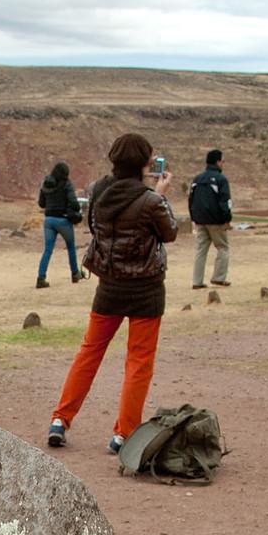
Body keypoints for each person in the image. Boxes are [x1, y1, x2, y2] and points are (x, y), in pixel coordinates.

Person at [47, 132, 178, 454]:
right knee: (139, 361)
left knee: (89, 353)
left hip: (109, 286)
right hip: (146, 290)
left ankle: (60, 420)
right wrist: (160, 195)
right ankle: (124, 433)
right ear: (144, 163)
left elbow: (95, 229)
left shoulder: (98, 192)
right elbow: (170, 233)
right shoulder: (150, 201)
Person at [187, 149, 234, 289]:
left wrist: (193, 217)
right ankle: (218, 277)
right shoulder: (221, 179)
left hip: (200, 220)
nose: (223, 164)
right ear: (218, 162)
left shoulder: (197, 179)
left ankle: (197, 281)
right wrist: (227, 218)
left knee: (200, 250)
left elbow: (190, 199)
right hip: (216, 221)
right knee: (223, 247)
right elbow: (225, 201)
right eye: (223, 161)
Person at [35, 161, 82, 288]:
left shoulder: (46, 183)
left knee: (48, 250)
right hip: (63, 220)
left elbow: (41, 204)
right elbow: (74, 203)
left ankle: (41, 278)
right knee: (71, 247)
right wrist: (74, 211)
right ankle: (75, 273)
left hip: (48, 220)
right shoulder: (66, 184)